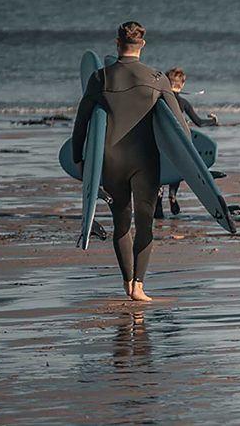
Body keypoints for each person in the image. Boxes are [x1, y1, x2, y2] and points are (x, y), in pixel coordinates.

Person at [71, 21, 191, 302]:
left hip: (111, 161)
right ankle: (139, 285)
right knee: (145, 223)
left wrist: (79, 160)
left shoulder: (100, 78)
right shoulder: (158, 78)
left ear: (117, 43)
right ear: (143, 45)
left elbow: (82, 122)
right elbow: (179, 127)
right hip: (145, 162)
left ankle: (127, 283)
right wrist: (188, 164)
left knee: (121, 223)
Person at [153, 67, 219, 219]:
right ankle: (173, 195)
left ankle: (158, 201)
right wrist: (213, 121)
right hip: (178, 142)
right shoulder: (183, 103)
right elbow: (199, 123)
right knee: (176, 169)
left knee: (161, 170)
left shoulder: (158, 100)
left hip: (160, 140)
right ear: (182, 85)